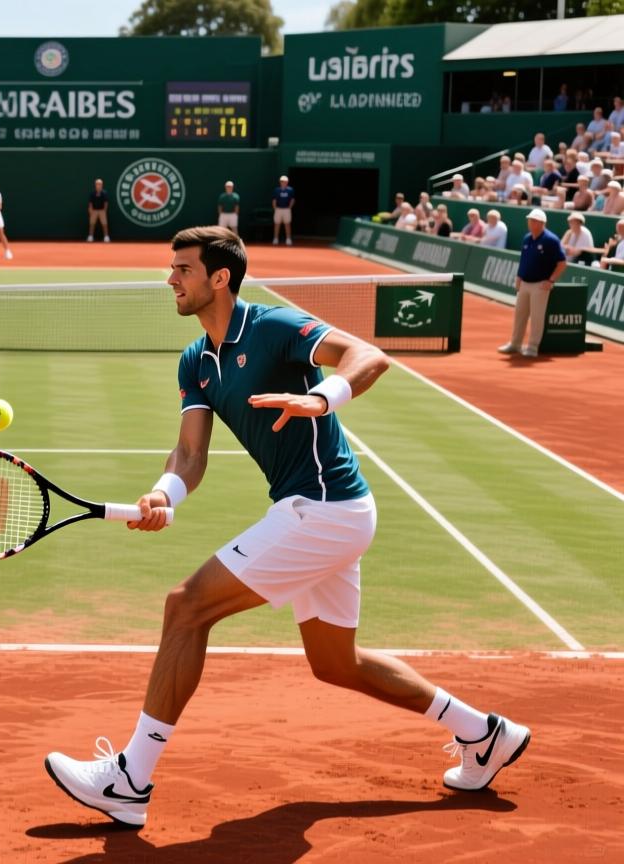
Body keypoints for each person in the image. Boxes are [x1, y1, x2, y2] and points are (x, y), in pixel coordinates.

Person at [43, 225, 532, 829]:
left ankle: (130, 778)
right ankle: (485, 733)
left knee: (186, 607)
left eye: (183, 270)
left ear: (219, 278)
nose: (170, 279)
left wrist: (321, 400)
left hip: (324, 510)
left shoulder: (272, 328)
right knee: (335, 663)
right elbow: (190, 457)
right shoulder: (196, 360)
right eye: (171, 269)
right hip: (322, 514)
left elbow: (369, 356)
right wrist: (164, 493)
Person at [498, 209, 567, 358]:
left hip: (540, 285)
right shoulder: (527, 238)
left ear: (542, 223)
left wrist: (551, 280)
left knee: (537, 317)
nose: (530, 223)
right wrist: (518, 277)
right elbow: (523, 259)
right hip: (525, 283)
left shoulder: (551, 240)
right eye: (530, 220)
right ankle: (515, 344)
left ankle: (532, 347)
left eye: (534, 221)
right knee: (520, 315)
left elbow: (562, 263)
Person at [271, 175, 294, 246]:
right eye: (281, 181)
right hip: (278, 209)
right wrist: (275, 208)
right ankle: (275, 239)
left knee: (287, 224)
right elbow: (274, 200)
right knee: (277, 224)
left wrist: (289, 207)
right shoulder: (277, 190)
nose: (283, 182)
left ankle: (288, 239)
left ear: (287, 182)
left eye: (284, 181)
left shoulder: (290, 190)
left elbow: (292, 199)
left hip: (287, 209)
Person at [87, 178, 110, 243]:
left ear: (102, 185)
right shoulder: (92, 193)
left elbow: (106, 202)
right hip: (94, 210)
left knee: (104, 224)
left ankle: (106, 237)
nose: (99, 185)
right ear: (95, 185)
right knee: (92, 224)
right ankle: (90, 237)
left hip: (102, 210)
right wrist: (90, 209)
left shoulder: (104, 193)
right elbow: (90, 202)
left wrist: (104, 211)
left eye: (100, 184)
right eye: (97, 184)